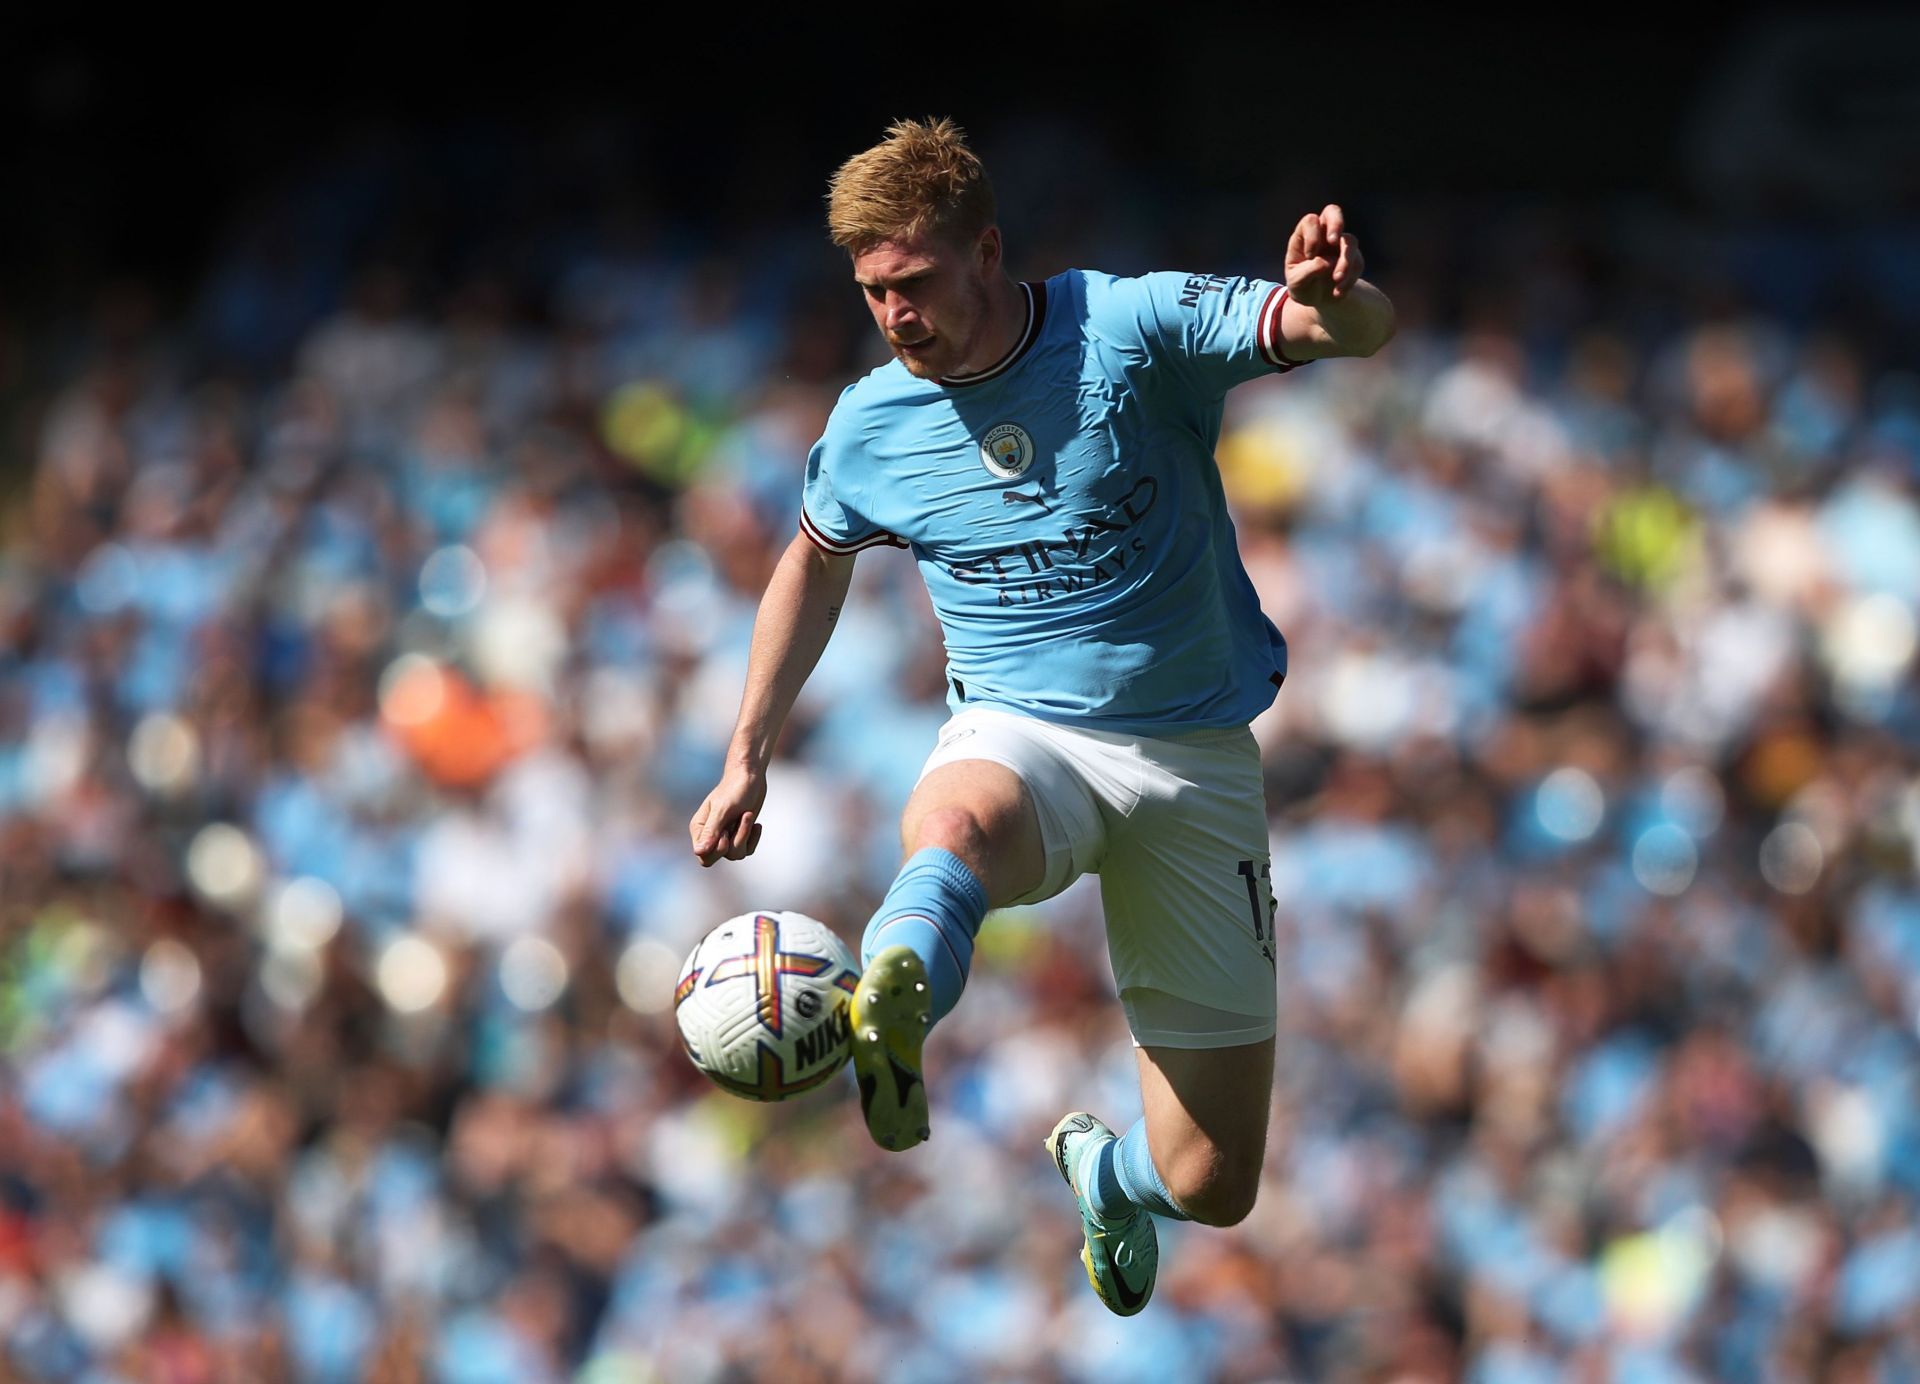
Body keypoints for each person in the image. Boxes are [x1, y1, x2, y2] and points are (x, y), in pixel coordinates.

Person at [690, 117, 1394, 1315]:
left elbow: (1336, 332)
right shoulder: (871, 424)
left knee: (1214, 1180)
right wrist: (745, 754)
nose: (896, 315)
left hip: (1193, 759)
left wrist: (1340, 297)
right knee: (956, 820)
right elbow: (811, 562)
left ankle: (1106, 1173)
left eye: (913, 283)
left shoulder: (1127, 328)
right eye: (872, 292)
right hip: (1024, 729)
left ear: (986, 251)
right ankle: (895, 983)